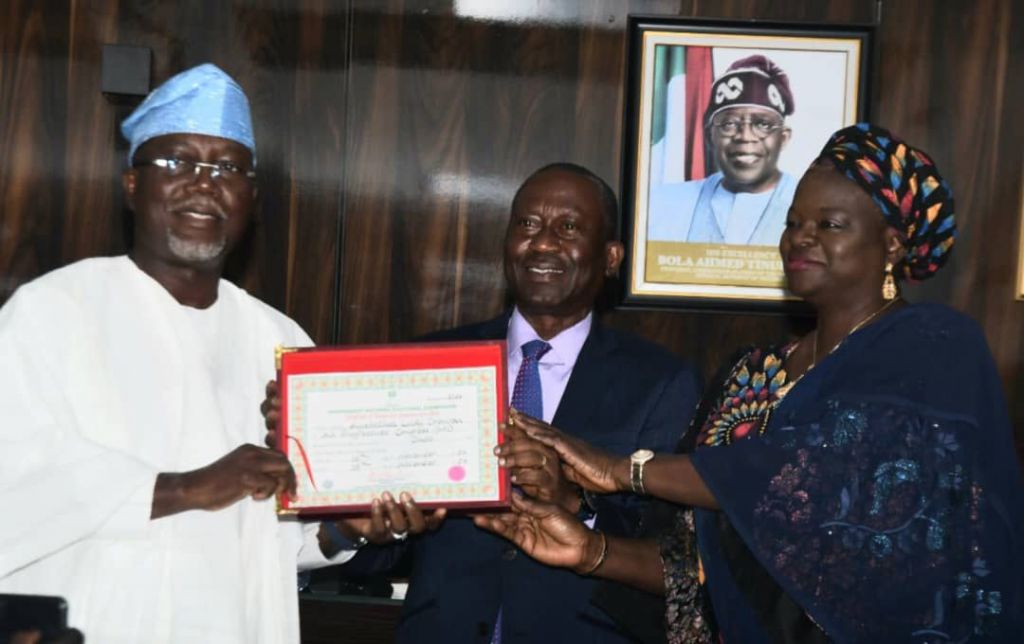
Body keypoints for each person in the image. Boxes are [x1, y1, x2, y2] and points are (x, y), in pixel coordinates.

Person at [479, 124, 1024, 643]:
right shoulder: (750, 374)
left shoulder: (933, 344)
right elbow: (698, 567)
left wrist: (624, 469)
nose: (801, 238)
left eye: (829, 224)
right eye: (792, 222)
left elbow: (806, 475)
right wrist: (593, 551)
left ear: (893, 245)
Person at [262, 162, 701, 643]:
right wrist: (355, 526)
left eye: (569, 227)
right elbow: (379, 550)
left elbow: (676, 554)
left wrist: (575, 503)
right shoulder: (429, 364)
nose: (544, 242)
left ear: (611, 257)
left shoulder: (662, 381)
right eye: (527, 224)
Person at [0, 64, 354, 643]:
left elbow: (273, 545)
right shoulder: (52, 313)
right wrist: (186, 487)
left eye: (228, 168)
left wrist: (349, 532)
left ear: (252, 198)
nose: (204, 183)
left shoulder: (280, 340)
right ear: (132, 184)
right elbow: (12, 485)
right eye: (178, 161)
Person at [647, 55, 796, 245]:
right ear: (710, 136)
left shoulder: (809, 202)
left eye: (763, 124)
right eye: (729, 124)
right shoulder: (664, 203)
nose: (745, 136)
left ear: (783, 138)